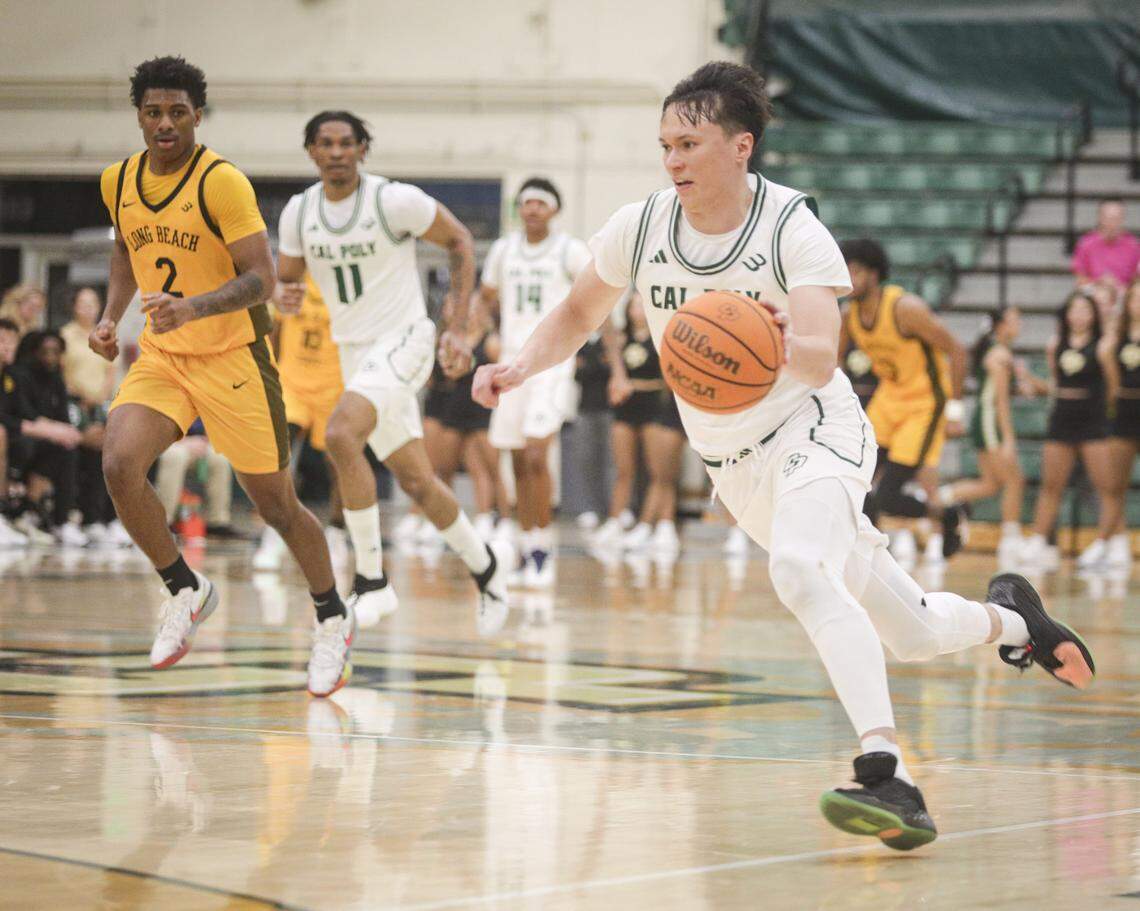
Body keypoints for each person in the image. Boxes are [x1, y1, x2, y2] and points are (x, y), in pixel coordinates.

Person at [474, 61, 1095, 850]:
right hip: (736, 467)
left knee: (799, 569)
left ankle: (887, 773)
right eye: (664, 143)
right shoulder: (640, 226)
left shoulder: (791, 228)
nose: (673, 160)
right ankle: (1016, 619)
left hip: (818, 432)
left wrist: (777, 345)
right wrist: (517, 366)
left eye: (689, 143)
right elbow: (575, 312)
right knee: (910, 630)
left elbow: (819, 358)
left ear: (742, 145)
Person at [90, 56, 353, 696]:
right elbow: (127, 248)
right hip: (164, 357)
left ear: (197, 116)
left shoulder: (222, 183)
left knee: (277, 507)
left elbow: (263, 279)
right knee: (120, 464)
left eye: (178, 111)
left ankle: (332, 618)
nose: (165, 123)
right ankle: (185, 588)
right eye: (154, 112)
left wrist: (193, 307)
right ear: (139, 117)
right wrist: (110, 318)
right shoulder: (117, 180)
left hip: (234, 357)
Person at [275, 109, 511, 634]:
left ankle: (371, 581)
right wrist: (282, 293)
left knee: (340, 435)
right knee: (418, 481)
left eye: (346, 143)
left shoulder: (393, 200)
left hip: (405, 340)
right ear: (311, 151)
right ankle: (487, 569)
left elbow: (460, 242)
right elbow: (286, 280)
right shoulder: (299, 212)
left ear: (363, 149)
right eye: (325, 144)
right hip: (353, 351)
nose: (336, 152)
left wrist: (456, 326)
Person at [479, 178, 592, 587]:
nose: (532, 209)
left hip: (552, 365)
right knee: (514, 457)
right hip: (511, 362)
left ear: (555, 210)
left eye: (540, 203)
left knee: (535, 453)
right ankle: (527, 544)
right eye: (526, 203)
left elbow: (596, 295)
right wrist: (486, 332)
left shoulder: (570, 251)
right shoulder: (503, 249)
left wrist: (590, 345)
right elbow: (486, 297)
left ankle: (543, 545)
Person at [839, 239, 970, 559]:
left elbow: (957, 350)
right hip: (889, 398)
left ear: (873, 274)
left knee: (887, 496)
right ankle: (862, 554)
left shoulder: (905, 308)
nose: (849, 278)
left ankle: (947, 514)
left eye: (855, 271)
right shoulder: (849, 315)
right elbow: (836, 362)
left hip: (925, 403)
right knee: (857, 484)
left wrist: (954, 410)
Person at [254, 273, 347, 569]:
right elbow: (274, 332)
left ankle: (337, 533)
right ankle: (274, 532)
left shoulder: (344, 282)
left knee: (339, 464)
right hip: (293, 382)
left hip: (333, 385)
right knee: (280, 456)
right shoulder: (294, 280)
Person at [1020, 290, 1118, 568]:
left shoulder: (1102, 345)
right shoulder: (1056, 344)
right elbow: (1055, 384)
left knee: (1106, 487)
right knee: (1051, 485)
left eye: (1085, 310)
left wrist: (1102, 414)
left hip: (1092, 419)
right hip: (1062, 417)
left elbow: (1111, 386)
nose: (1079, 315)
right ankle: (1038, 540)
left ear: (1094, 315)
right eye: (1074, 309)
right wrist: (1031, 382)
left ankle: (1103, 544)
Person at [937, 308, 1034, 562]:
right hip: (991, 423)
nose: (1020, 324)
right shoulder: (999, 354)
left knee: (990, 484)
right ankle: (1010, 541)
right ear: (1001, 325)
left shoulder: (997, 351)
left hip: (983, 420)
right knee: (1015, 480)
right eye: (1015, 320)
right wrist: (1009, 439)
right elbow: (1000, 401)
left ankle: (940, 497)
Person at [594, 291, 684, 554]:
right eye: (634, 304)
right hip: (626, 407)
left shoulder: (662, 336)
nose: (638, 309)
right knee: (624, 469)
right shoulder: (621, 338)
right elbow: (605, 338)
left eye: (643, 304)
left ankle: (651, 525)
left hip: (655, 404)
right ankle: (615, 520)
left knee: (659, 472)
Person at [410, 294, 504, 544]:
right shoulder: (448, 340)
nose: (469, 314)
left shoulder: (491, 342)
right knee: (442, 468)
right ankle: (440, 521)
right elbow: (436, 375)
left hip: (481, 411)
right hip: (453, 409)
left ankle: (499, 520)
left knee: (488, 468)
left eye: (474, 309)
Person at [0, 319, 82, 547]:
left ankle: (40, 516)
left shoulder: (9, 376)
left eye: (11, 342)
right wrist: (43, 429)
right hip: (10, 436)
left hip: (14, 435)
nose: (8, 347)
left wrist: (57, 431)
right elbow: (18, 420)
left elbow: (24, 414)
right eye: (3, 341)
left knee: (63, 448)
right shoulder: (20, 375)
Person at [60, 286, 130, 545]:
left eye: (93, 303)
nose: (88, 308)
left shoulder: (106, 333)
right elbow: (63, 371)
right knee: (91, 449)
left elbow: (111, 370)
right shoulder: (65, 335)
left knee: (115, 449)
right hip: (74, 405)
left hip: (102, 405)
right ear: (73, 306)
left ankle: (107, 519)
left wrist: (101, 397)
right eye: (82, 303)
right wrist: (83, 397)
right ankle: (88, 518)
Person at [1088, 280, 1140, 568]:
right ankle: (1109, 542)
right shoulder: (1115, 339)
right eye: (1135, 299)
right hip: (1124, 411)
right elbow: (1108, 369)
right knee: (1113, 484)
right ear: (1128, 303)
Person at [154, 419, 235, 534]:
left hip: (198, 444)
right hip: (169, 443)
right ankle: (163, 522)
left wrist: (205, 441)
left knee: (220, 459)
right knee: (175, 456)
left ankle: (217, 522)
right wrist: (183, 441)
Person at [1071, 198, 1140, 290]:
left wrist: (1120, 289)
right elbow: (1080, 278)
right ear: (1099, 218)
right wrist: (1100, 285)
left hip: (1124, 296)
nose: (1112, 223)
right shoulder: (1085, 244)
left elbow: (1137, 279)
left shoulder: (1134, 246)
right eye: (1108, 218)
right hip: (1094, 295)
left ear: (1123, 219)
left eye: (1116, 218)